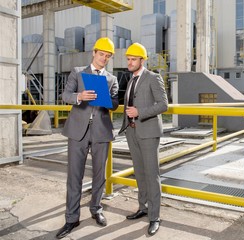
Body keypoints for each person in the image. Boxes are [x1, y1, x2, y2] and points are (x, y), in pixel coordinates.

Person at [56, 37, 119, 239]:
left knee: (99, 175)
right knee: (74, 176)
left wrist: (108, 101)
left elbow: (115, 103)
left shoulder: (112, 79)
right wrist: (79, 97)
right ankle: (71, 218)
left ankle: (96, 209)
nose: (104, 59)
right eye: (102, 54)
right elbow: (65, 95)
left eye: (108, 56)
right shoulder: (78, 72)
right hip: (78, 132)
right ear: (94, 53)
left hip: (101, 131)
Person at [118, 42, 168, 236]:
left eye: (133, 59)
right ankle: (143, 207)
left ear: (142, 60)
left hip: (148, 132)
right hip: (132, 132)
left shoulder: (153, 78)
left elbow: (163, 104)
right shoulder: (131, 80)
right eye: (128, 59)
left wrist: (140, 112)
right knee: (139, 173)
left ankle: (154, 217)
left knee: (152, 175)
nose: (129, 62)